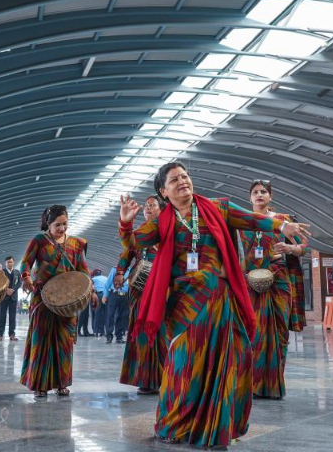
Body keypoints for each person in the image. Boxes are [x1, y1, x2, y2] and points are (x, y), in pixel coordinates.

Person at [119, 162, 310, 447]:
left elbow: (251, 219)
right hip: (184, 302)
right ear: (163, 191)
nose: (183, 181)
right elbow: (133, 244)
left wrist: (282, 224)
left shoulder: (216, 207)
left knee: (225, 360)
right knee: (183, 364)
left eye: (185, 176)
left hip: (220, 298)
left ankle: (216, 425)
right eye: (174, 180)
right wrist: (125, 222)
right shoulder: (162, 220)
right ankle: (175, 423)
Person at [20, 205, 98, 398]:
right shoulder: (39, 241)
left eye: (65, 224)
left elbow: (82, 269)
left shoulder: (76, 244)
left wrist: (92, 291)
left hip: (68, 299)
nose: (62, 229)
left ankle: (62, 383)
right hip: (43, 297)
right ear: (48, 223)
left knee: (64, 341)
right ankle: (40, 384)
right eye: (57, 225)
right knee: (42, 339)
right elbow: (26, 262)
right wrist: (26, 277)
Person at [239, 180, 307, 400]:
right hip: (249, 281)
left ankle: (274, 383)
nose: (259, 195)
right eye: (255, 192)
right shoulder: (241, 222)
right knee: (253, 332)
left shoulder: (283, 220)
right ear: (249, 197)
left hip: (278, 280)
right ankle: (253, 383)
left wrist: (289, 248)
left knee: (279, 332)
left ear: (270, 197)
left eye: (264, 192)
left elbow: (302, 248)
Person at [115, 194, 164, 395]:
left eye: (153, 206)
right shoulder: (138, 234)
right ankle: (145, 379)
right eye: (146, 207)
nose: (148, 209)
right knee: (142, 331)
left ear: (162, 209)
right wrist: (119, 273)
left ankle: (167, 377)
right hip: (139, 291)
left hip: (163, 289)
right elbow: (126, 254)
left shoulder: (168, 232)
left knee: (162, 331)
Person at [0, 256, 22, 341]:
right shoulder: (2, 272)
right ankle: (0, 334)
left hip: (13, 298)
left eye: (11, 262)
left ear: (13, 263)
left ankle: (12, 334)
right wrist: (6, 289)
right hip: (4, 297)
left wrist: (13, 290)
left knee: (12, 317)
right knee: (2, 316)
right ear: (5, 263)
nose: (10, 263)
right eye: (8, 262)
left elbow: (19, 283)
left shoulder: (17, 272)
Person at [103, 267, 129, 344]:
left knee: (122, 316)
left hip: (125, 296)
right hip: (114, 294)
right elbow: (108, 283)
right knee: (110, 315)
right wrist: (105, 295)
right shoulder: (114, 269)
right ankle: (109, 336)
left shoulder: (130, 270)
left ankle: (119, 337)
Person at [91, 269, 108, 337]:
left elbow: (91, 288)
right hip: (105, 296)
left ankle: (97, 331)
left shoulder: (93, 279)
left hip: (98, 295)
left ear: (95, 274)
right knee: (106, 314)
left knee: (97, 314)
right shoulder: (105, 278)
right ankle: (105, 331)